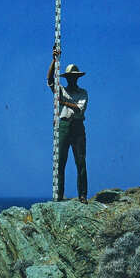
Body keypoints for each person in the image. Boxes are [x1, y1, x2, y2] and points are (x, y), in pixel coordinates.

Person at [47, 44, 88, 202]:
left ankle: (82, 195)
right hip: (63, 126)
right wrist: (54, 60)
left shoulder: (83, 93)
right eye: (69, 77)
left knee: (80, 161)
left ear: (77, 78)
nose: (72, 79)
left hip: (78, 127)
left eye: (74, 77)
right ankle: (58, 195)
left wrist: (63, 102)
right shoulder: (62, 90)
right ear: (67, 78)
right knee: (60, 162)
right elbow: (50, 80)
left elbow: (78, 109)